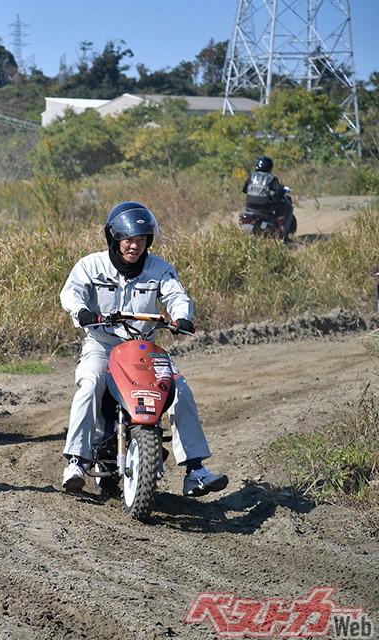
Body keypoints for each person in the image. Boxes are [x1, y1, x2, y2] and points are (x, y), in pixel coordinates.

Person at [58, 201, 228, 497]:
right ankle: (76, 462)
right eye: (127, 239)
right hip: (103, 345)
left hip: (145, 348)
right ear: (114, 238)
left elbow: (176, 296)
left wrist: (182, 316)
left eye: (140, 239)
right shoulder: (91, 265)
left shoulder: (160, 269)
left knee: (179, 389)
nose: (134, 246)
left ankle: (195, 470)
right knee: (91, 383)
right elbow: (71, 294)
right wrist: (82, 311)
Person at [242, 155, 293, 226]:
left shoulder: (251, 176)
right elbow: (278, 191)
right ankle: (278, 223)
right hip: (264, 207)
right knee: (282, 203)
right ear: (269, 166)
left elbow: (244, 190)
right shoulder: (271, 178)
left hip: (249, 206)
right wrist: (283, 191)